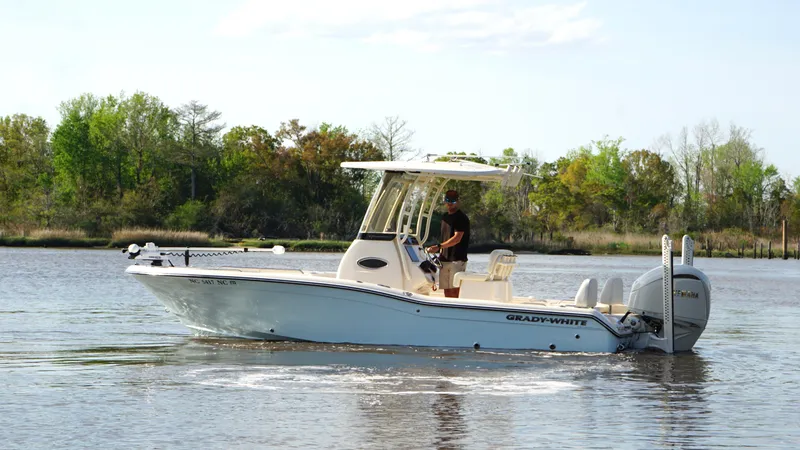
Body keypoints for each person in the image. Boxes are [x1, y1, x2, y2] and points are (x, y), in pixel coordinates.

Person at [426, 189, 470, 298]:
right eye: (448, 200)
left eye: (453, 200)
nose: (450, 203)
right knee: (446, 291)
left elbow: (457, 238)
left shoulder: (461, 218)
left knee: (454, 291)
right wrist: (440, 251)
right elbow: (445, 237)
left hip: (457, 259)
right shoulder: (445, 217)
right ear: (445, 201)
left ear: (458, 201)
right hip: (444, 259)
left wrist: (439, 246)